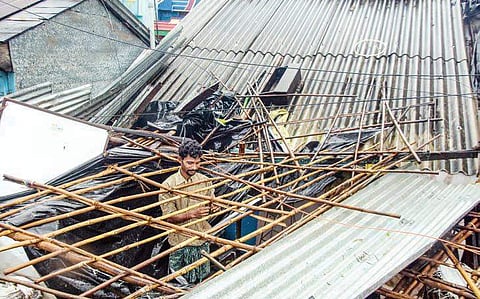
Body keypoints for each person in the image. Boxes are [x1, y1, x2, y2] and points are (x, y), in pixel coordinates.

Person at [160, 139, 215, 284]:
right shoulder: (169, 186)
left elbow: (213, 204)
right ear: (180, 160)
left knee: (202, 279)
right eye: (190, 163)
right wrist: (191, 214)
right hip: (181, 242)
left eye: (198, 163)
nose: (195, 167)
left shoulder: (204, 181)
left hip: (201, 239)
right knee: (179, 281)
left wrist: (214, 208)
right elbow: (169, 218)